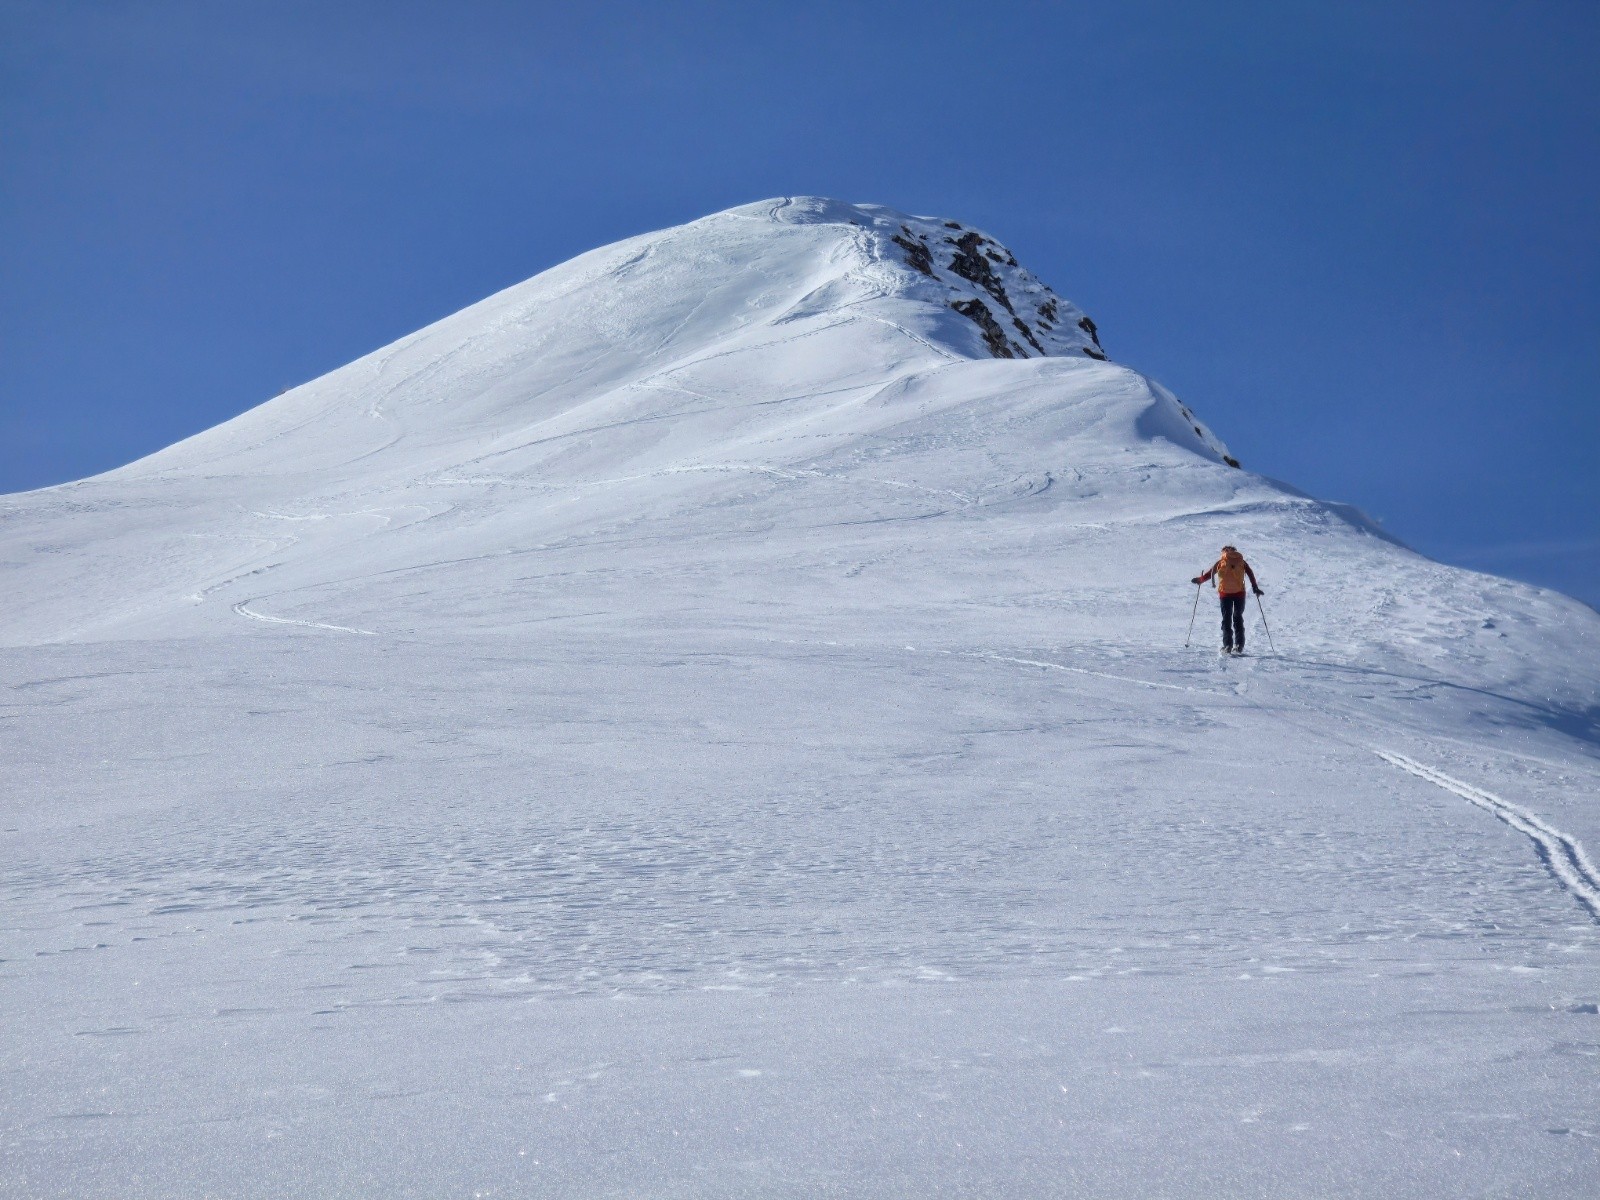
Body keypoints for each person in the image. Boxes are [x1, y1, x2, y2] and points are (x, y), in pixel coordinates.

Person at [1192, 544, 1262, 655]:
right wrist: (1255, 588)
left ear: (1224, 551)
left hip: (1225, 594)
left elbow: (1210, 574)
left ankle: (1227, 645)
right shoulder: (1241, 561)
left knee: (1226, 619)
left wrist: (1200, 580)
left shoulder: (1221, 561)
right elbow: (1250, 573)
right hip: (1240, 593)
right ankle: (1239, 645)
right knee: (1238, 617)